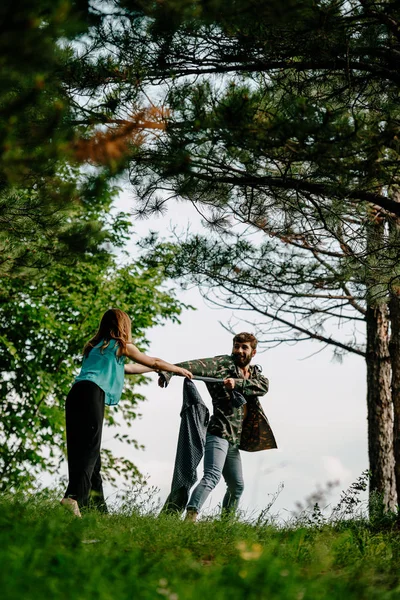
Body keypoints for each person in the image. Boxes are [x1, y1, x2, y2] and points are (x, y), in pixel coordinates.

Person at [61, 308, 192, 517]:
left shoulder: (94, 347)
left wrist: (155, 369)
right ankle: (73, 497)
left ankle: (97, 511)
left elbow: (130, 369)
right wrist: (176, 369)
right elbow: (154, 360)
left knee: (83, 450)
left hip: (75, 394)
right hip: (92, 394)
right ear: (124, 326)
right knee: (89, 450)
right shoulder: (121, 345)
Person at [159, 332, 277, 522]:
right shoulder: (221, 365)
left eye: (244, 347)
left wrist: (237, 383)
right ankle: (191, 515)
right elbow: (192, 366)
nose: (239, 350)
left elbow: (263, 386)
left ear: (253, 352)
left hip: (233, 440)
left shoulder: (255, 375)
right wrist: (168, 371)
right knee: (212, 476)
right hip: (218, 433)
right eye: (236, 346)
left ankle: (225, 525)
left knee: (237, 486)